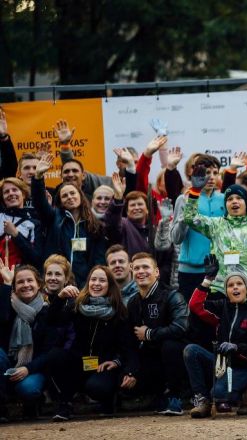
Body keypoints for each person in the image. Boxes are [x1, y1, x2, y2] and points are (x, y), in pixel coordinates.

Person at [46, 266, 138, 421]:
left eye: (102, 280)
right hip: (79, 361)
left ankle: (108, 400)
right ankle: (65, 403)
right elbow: (52, 320)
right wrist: (60, 298)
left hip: (103, 364)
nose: (96, 283)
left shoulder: (119, 312)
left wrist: (117, 361)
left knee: (97, 388)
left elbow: (128, 346)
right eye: (93, 279)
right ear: (88, 283)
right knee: (55, 356)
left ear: (109, 285)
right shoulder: (78, 305)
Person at [183, 165, 247, 317]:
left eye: (239, 198)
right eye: (230, 199)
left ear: (246, 202)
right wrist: (195, 193)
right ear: (225, 205)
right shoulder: (216, 225)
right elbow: (190, 218)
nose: (234, 202)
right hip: (219, 291)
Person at [185, 259, 247, 417]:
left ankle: (246, 391)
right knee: (191, 350)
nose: (235, 287)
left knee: (219, 393)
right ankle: (202, 400)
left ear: (246, 289)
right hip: (220, 365)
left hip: (243, 368)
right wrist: (208, 279)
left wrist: (237, 348)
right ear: (227, 291)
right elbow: (195, 305)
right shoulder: (222, 307)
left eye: (239, 284)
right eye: (230, 285)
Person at [125, 252, 189, 416]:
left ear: (157, 272)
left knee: (170, 346)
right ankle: (158, 395)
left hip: (178, 354)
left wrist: (150, 334)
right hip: (151, 355)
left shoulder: (172, 296)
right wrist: (131, 371)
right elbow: (130, 340)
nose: (141, 271)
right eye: (137, 268)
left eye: (145, 267)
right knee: (125, 382)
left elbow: (181, 328)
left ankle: (176, 397)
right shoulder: (133, 302)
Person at [31, 154, 107, 286]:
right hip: (57, 283)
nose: (69, 197)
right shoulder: (53, 217)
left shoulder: (94, 225)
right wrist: (38, 177)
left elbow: (98, 259)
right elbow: (39, 203)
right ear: (60, 200)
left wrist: (93, 283)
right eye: (64, 195)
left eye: (73, 193)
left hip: (85, 285)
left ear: (81, 196)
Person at [0, 263, 55, 421]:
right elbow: (2, 318)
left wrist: (27, 368)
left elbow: (49, 352)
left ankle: (32, 404)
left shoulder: (48, 311)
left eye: (29, 281)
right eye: (20, 282)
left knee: (29, 389)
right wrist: (6, 284)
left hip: (34, 367)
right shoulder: (7, 305)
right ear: (14, 286)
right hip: (7, 365)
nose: (25, 285)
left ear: (39, 284)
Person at [170, 154, 226, 301]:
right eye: (207, 173)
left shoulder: (225, 199)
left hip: (219, 271)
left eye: (215, 173)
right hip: (190, 273)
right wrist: (185, 217)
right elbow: (175, 238)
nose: (211, 177)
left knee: (218, 319)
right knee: (192, 319)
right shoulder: (184, 199)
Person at [0, 177, 42, 268]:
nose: (11, 193)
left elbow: (36, 259)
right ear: (3, 198)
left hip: (21, 278)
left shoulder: (34, 224)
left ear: (23, 194)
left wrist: (16, 234)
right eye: (6, 192)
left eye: (15, 190)